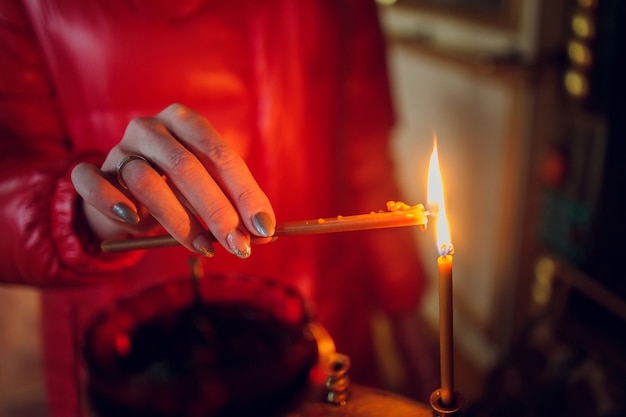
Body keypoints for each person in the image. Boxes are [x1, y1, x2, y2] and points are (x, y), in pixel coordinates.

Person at [0, 0, 437, 415]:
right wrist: (82, 213)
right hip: (143, 366)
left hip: (329, 320)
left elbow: (365, 154)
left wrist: (407, 313)